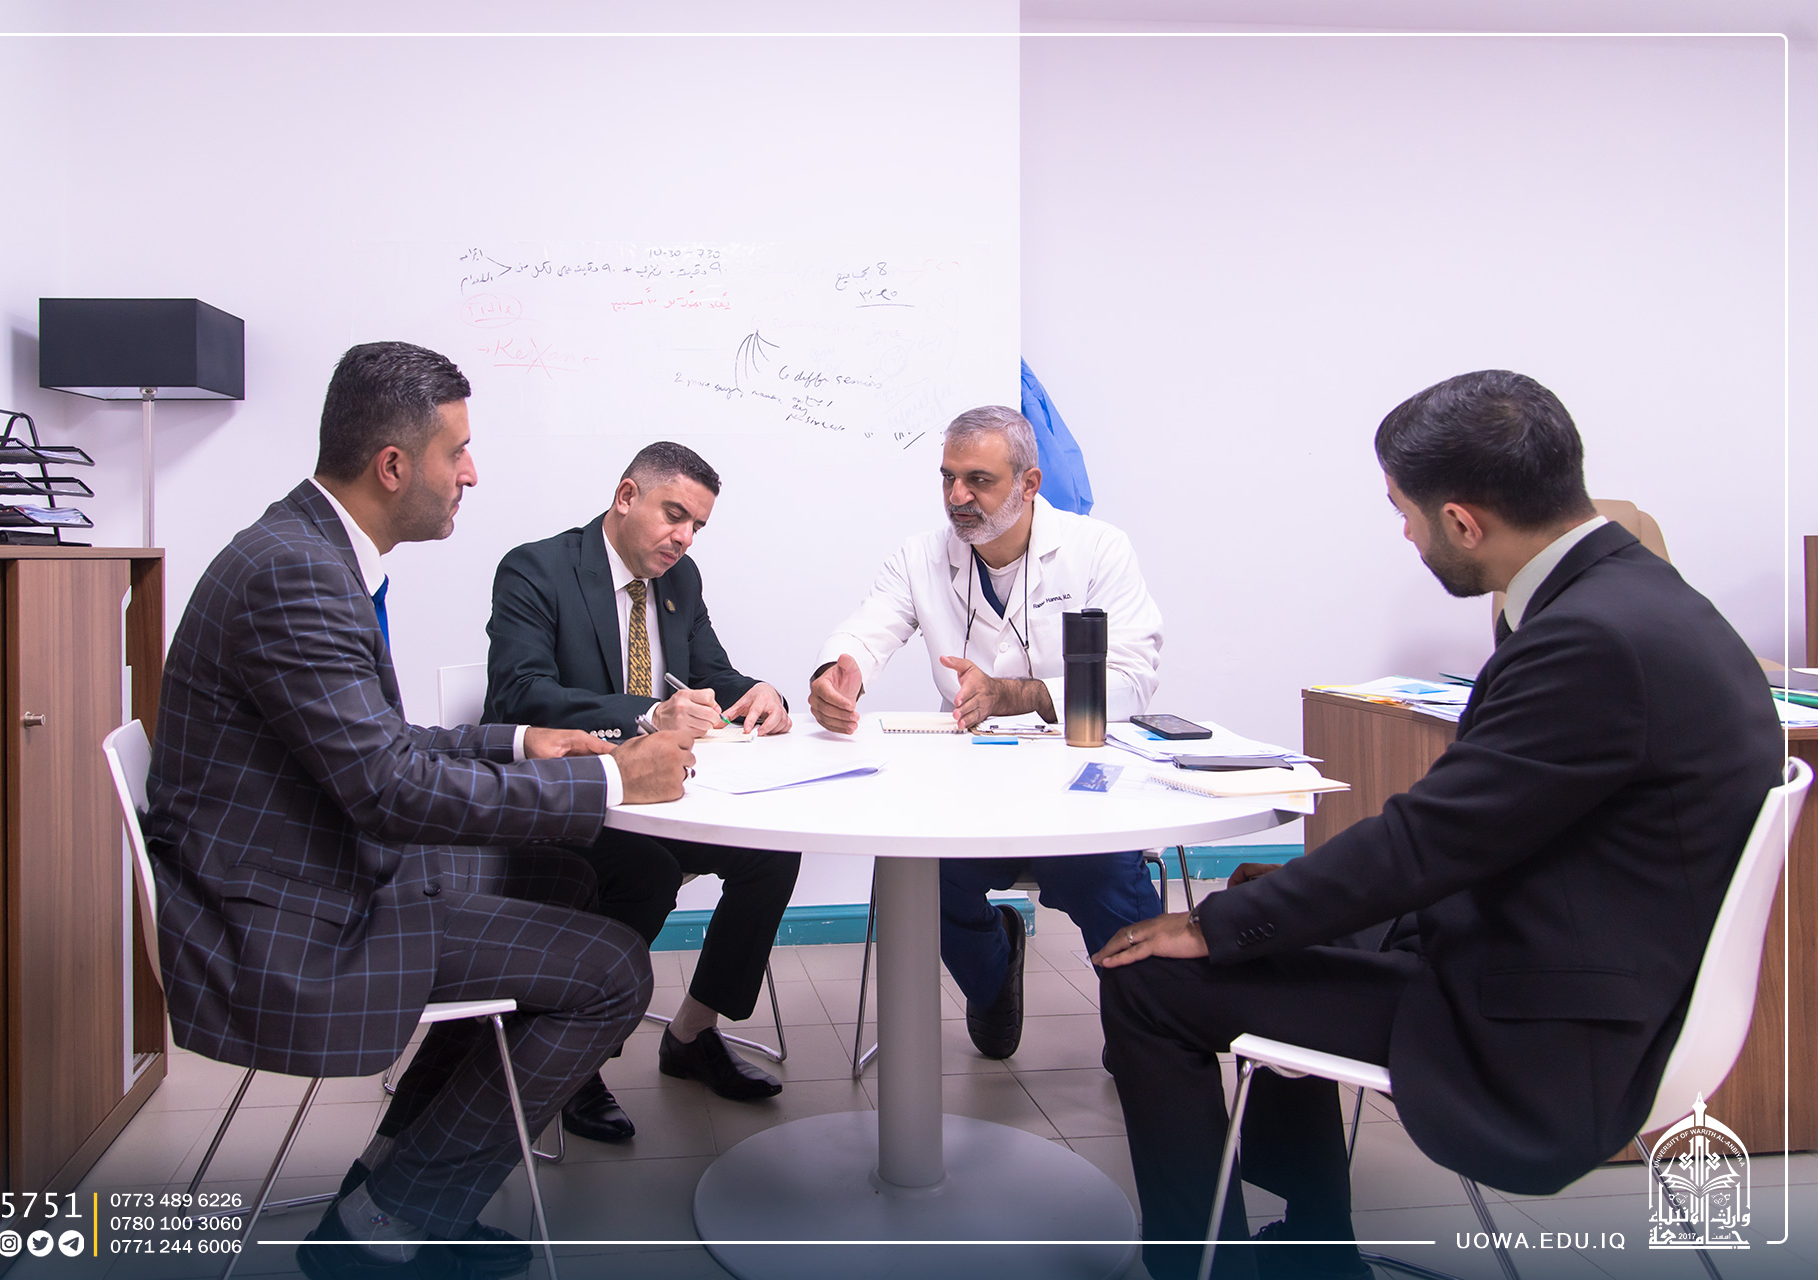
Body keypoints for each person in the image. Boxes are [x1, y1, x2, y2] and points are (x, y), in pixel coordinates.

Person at [1093, 370, 1784, 1280]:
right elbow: (1478, 830)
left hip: (1549, 1030)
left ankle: (1199, 1270)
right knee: (1275, 917)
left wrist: (1214, 926)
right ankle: (1314, 1249)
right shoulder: (1643, 597)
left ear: (1462, 521)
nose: (1406, 536)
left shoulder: (1589, 642)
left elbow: (1428, 842)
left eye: (1404, 513)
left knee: (1152, 982)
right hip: (1591, 952)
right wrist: (1275, 908)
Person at [146, 341, 696, 1280]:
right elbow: (388, 789)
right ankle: (392, 1224)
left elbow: (378, 744)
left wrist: (519, 742)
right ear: (394, 466)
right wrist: (615, 782)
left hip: (297, 873)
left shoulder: (306, 549)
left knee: (566, 878)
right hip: (284, 927)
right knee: (613, 971)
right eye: (458, 452)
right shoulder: (296, 573)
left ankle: (389, 1178)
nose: (471, 473)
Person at [809, 404, 1164, 1059]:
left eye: (979, 480)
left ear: (1029, 484)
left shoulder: (1097, 550)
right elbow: (869, 629)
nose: (957, 497)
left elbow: (1132, 680)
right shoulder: (921, 557)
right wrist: (840, 672)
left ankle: (1147, 1032)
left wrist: (1017, 694)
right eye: (948, 477)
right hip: (968, 789)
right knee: (919, 879)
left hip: (1075, 787)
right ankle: (994, 973)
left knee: (1110, 886)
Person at [483, 441, 801, 1140]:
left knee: (774, 851)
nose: (684, 538)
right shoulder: (536, 569)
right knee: (648, 872)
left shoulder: (680, 579)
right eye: (674, 515)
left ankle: (691, 1034)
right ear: (626, 496)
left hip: (659, 798)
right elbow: (519, 694)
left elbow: (710, 673)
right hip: (571, 802)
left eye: (697, 526)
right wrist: (648, 715)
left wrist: (762, 692)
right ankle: (571, 1056)